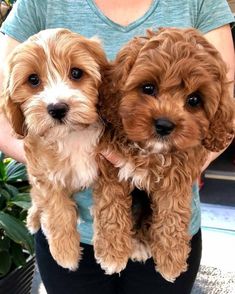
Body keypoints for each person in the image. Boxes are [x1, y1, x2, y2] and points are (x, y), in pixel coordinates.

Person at [0, 1, 234, 293]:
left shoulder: (200, 3)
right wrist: (60, 173)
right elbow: (6, 111)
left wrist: (163, 173)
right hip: (74, 230)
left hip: (169, 226)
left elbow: (223, 109)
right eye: (148, 89)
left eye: (76, 74)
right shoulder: (38, 3)